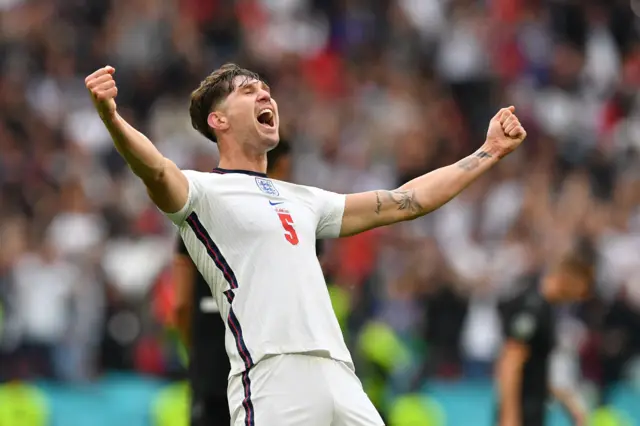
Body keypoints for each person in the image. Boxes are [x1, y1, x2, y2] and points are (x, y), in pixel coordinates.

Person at [85, 63, 527, 426]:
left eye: (267, 91)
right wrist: (110, 117)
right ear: (217, 121)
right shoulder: (202, 193)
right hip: (273, 378)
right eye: (248, 91)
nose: (265, 96)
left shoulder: (306, 199)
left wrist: (487, 151)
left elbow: (406, 202)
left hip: (340, 374)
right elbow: (156, 170)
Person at [172, 138, 296, 426]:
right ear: (279, 168)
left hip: (211, 370)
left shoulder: (198, 212)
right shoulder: (296, 221)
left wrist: (198, 352)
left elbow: (180, 304)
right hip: (266, 376)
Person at [495, 242, 595, 426]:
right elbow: (510, 362)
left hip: (533, 412)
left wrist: (568, 403)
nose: (582, 295)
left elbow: (535, 369)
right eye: (584, 286)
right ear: (571, 276)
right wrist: (509, 418)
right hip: (521, 414)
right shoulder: (532, 306)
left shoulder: (547, 308)